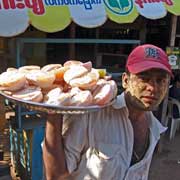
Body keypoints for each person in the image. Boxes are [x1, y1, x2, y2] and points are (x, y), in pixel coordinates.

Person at [43, 44, 172, 180]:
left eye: (160, 80)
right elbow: (57, 176)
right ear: (125, 80)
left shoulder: (154, 129)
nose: (153, 87)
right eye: (144, 78)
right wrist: (54, 113)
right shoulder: (92, 115)